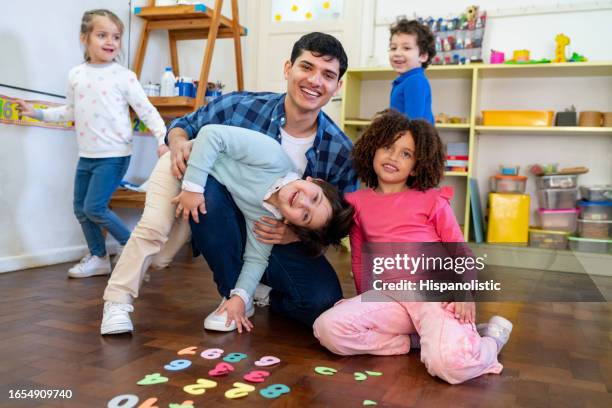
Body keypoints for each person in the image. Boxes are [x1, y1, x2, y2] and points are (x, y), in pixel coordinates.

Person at [101, 32, 358, 335]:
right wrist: (181, 146)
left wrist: (297, 233)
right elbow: (188, 127)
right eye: (306, 67)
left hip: (268, 224)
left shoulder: (340, 150)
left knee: (322, 300)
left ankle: (250, 293)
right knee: (156, 228)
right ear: (288, 68)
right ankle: (118, 301)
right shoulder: (245, 111)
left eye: (327, 75)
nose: (315, 81)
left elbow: (335, 221)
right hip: (195, 186)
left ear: (338, 86)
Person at [313, 110, 513, 385]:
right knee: (327, 329)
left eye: (406, 154)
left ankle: (491, 341)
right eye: (387, 147)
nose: (394, 157)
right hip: (389, 297)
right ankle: (415, 341)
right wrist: (365, 302)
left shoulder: (432, 200)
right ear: (373, 150)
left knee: (451, 367)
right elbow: (359, 260)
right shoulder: (357, 203)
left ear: (417, 166)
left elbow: (462, 253)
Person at [15, 9, 166, 279]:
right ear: (84, 38)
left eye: (116, 36)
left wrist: (161, 138)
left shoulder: (124, 76)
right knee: (80, 209)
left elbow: (147, 110)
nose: (110, 41)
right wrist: (36, 112)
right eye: (102, 35)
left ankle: (134, 251)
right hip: (87, 156)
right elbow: (68, 112)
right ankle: (98, 257)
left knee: (94, 208)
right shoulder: (76, 75)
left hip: (115, 154)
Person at [388, 18, 436, 124]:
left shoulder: (415, 81)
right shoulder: (405, 80)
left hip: (412, 139)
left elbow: (413, 124)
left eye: (406, 48)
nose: (397, 53)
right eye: (393, 48)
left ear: (423, 56)